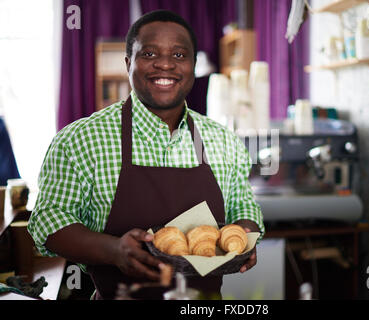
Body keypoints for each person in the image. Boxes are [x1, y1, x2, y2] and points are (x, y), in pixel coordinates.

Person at [27, 10, 264, 300]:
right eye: (150, 54)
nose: (165, 64)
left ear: (192, 65)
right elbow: (48, 221)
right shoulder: (79, 140)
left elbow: (244, 207)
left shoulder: (223, 141)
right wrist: (113, 251)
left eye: (179, 55)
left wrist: (245, 237)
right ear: (129, 63)